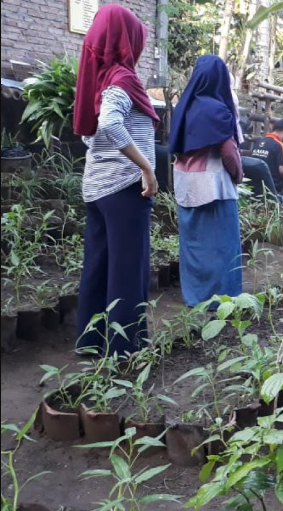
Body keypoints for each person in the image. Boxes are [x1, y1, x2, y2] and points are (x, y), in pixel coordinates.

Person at [73, 4, 159, 358]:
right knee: (127, 267)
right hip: (124, 188)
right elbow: (109, 124)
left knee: (99, 263)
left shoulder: (98, 77)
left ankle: (89, 341)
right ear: (127, 38)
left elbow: (88, 134)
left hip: (97, 187)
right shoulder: (122, 77)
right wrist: (146, 168)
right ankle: (125, 348)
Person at [169, 55, 243, 308]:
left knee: (193, 245)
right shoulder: (218, 109)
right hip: (214, 187)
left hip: (185, 184)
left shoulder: (183, 106)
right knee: (222, 247)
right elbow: (228, 151)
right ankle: (221, 299)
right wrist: (238, 175)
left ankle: (195, 296)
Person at [251, 119, 283, 194]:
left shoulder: (259, 142)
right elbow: (282, 171)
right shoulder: (280, 145)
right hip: (272, 188)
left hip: (254, 185)